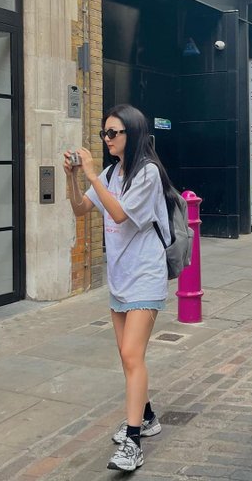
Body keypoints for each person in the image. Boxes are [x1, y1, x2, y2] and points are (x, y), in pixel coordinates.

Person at [63, 104, 175, 472]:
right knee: (127, 356)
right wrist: (73, 178)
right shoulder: (111, 173)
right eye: (104, 133)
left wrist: (90, 173)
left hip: (145, 274)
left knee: (131, 354)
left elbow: (119, 213)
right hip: (120, 277)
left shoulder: (148, 174)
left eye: (113, 133)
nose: (107, 139)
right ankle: (147, 416)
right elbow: (81, 208)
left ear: (133, 133)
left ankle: (133, 442)